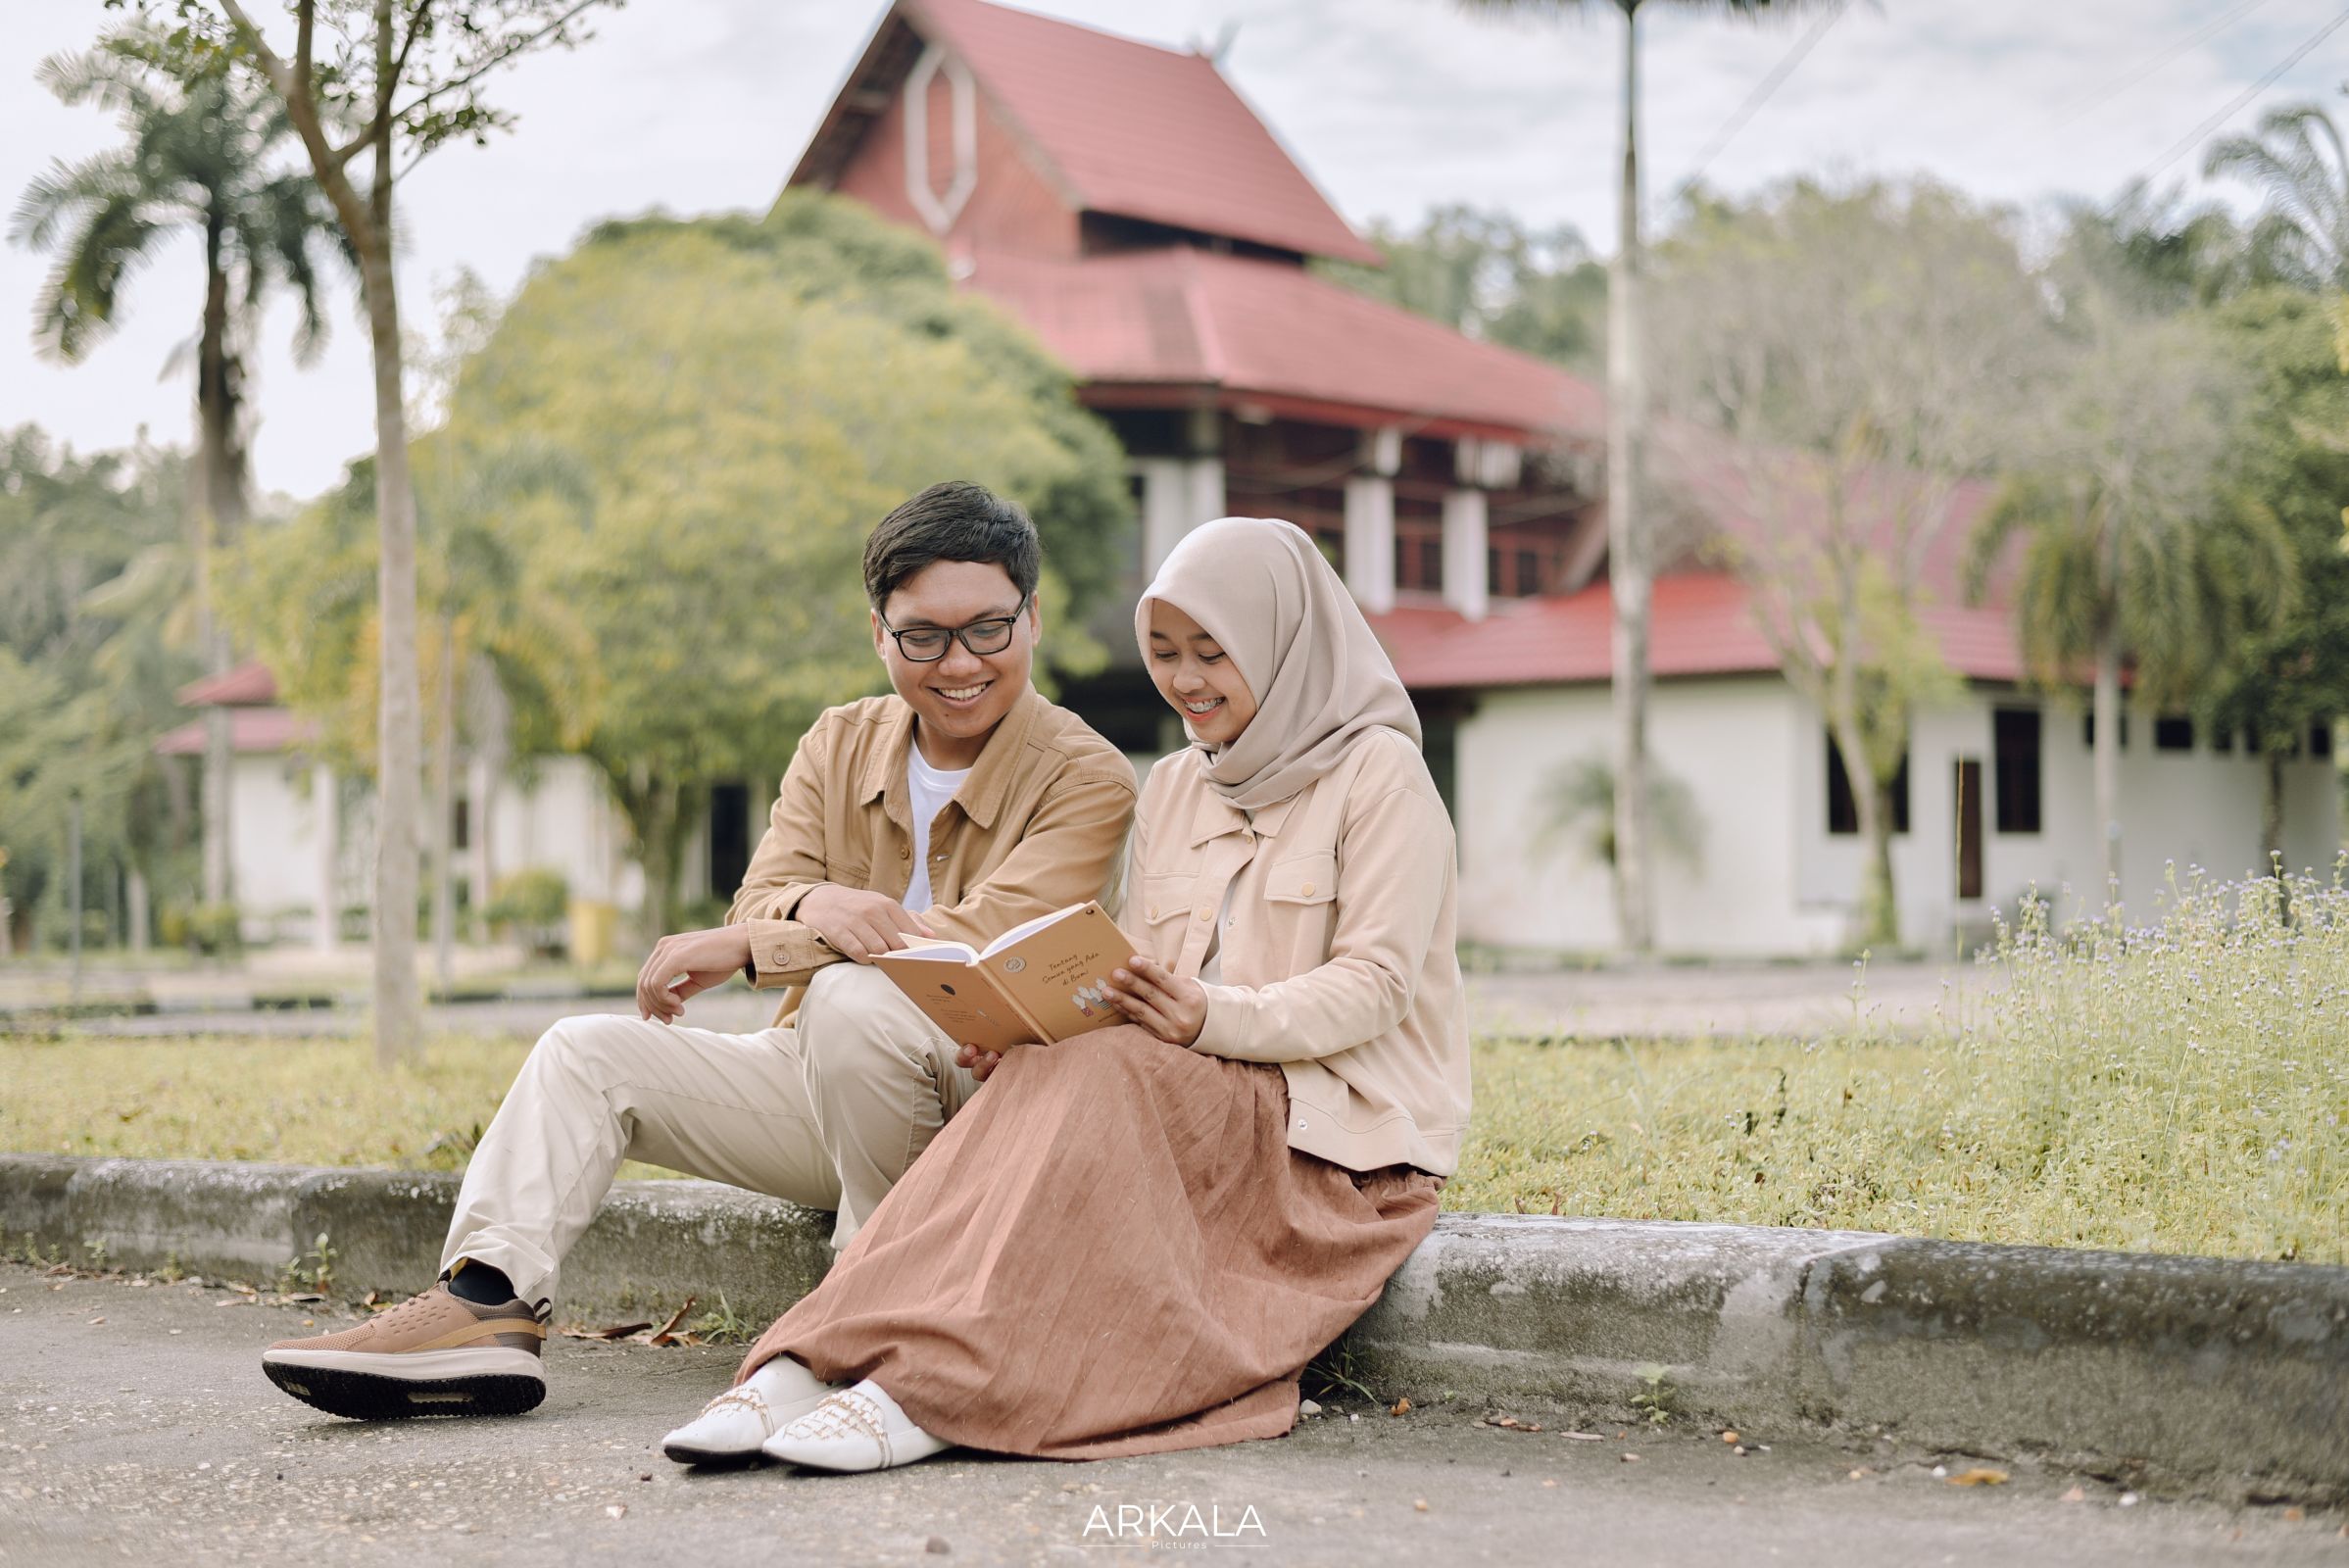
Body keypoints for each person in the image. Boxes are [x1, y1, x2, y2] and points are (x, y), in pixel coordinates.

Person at [260, 482, 1138, 1426]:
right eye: (922, 636)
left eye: (987, 630)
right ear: (879, 635)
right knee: (582, 1053)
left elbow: (977, 939)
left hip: (985, 1096)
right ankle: (485, 1307)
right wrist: (810, 904)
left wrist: (761, 940)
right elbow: (763, 891)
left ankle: (867, 1312)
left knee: (848, 1000)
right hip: (825, 1080)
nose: (958, 662)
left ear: (1032, 619)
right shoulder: (839, 741)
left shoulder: (1088, 774)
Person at [660, 514, 1469, 1471]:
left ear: (1283, 643)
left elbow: (1377, 985)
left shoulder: (1380, 773)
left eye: (1213, 652)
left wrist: (1208, 1017)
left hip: (1330, 1126)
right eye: (1164, 652)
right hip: (1180, 1081)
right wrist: (1034, 1026)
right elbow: (1131, 967)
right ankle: (815, 1357)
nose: (1185, 679)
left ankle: (933, 1388)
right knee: (1042, 1071)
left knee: (1100, 1072)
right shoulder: (1176, 784)